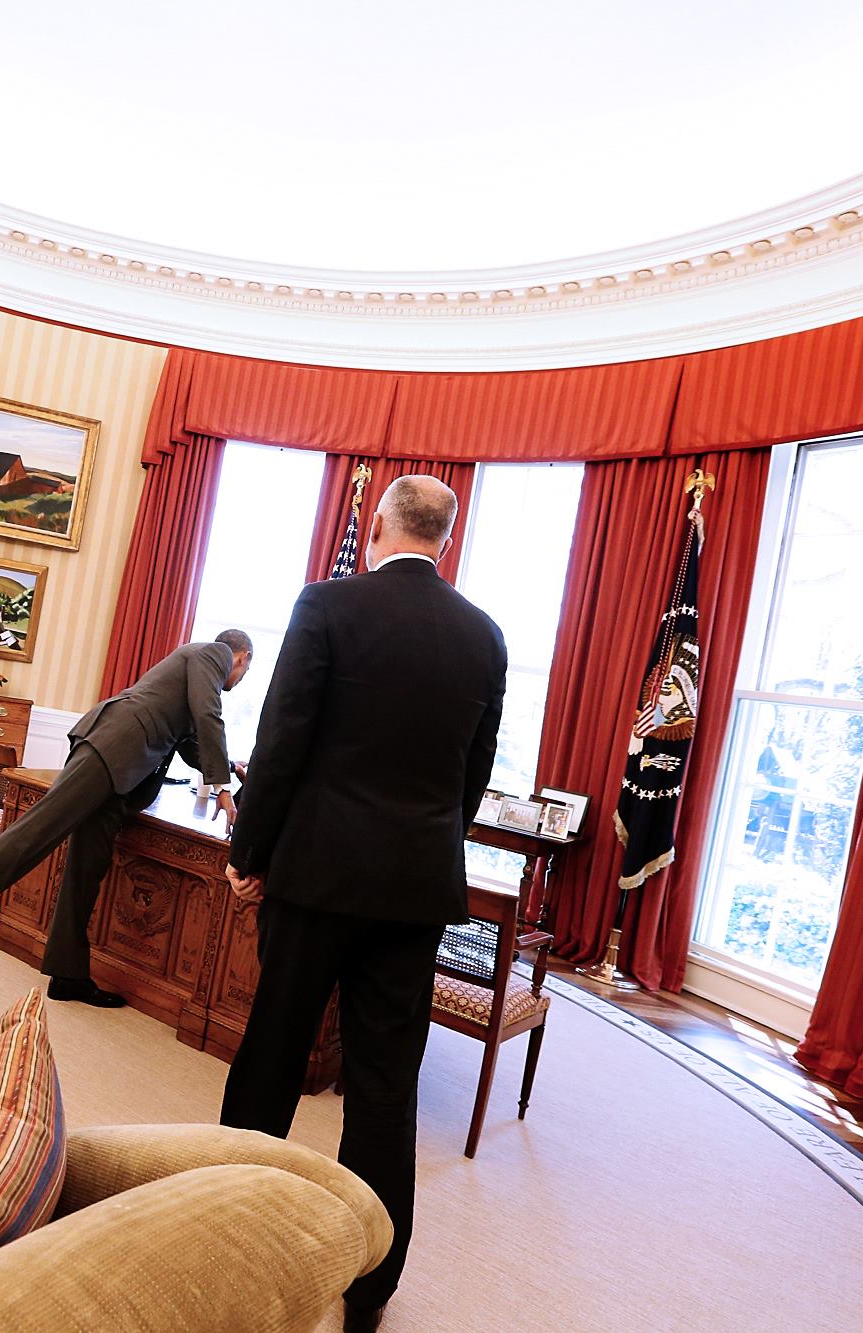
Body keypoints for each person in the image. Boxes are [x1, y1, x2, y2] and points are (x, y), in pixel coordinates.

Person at [217, 476, 505, 1333]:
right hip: (414, 893)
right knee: (385, 1088)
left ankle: (221, 1228)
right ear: (447, 538)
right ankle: (370, 1291)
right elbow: (473, 777)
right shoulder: (484, 635)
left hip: (315, 876)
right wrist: (426, 846)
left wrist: (249, 852)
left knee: (273, 1055)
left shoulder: (327, 605)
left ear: (376, 524)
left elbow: (281, 740)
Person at [0, 630, 254, 1004]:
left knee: (87, 867)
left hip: (124, 772)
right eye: (245, 672)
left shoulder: (193, 677)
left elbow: (191, 744)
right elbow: (208, 716)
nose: (239, 681)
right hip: (112, 747)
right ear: (243, 658)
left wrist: (229, 767)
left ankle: (69, 974)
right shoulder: (216, 652)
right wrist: (223, 790)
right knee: (34, 833)